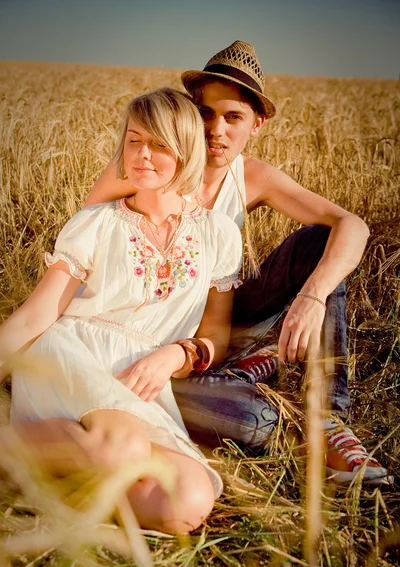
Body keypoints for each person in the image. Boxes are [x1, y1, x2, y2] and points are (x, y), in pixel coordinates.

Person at [84, 41, 391, 485]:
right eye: (206, 113)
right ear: (190, 112)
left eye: (234, 117)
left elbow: (352, 226)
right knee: (257, 419)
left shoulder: (251, 177)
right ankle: (248, 377)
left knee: (319, 242)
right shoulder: (146, 166)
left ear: (257, 124)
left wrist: (312, 295)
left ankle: (325, 420)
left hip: (216, 320)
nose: (216, 130)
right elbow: (81, 238)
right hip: (145, 338)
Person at [0, 88, 243, 533]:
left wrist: (178, 354)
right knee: (120, 450)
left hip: (141, 379)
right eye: (134, 140)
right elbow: (37, 315)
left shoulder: (220, 234)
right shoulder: (95, 223)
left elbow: (216, 335)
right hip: (73, 355)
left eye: (159, 144)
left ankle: (42, 471)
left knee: (183, 504)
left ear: (186, 150)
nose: (142, 155)